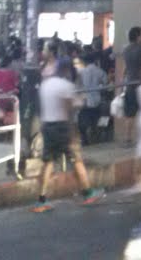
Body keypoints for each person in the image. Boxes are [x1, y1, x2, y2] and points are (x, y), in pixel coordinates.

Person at [32, 58, 103, 212]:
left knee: (48, 163)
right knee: (77, 160)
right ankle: (87, 193)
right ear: (68, 70)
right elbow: (68, 107)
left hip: (48, 126)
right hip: (63, 127)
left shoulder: (45, 84)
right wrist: (79, 103)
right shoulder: (66, 86)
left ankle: (41, 200)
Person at [78, 51, 108, 146]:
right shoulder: (100, 71)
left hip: (85, 100)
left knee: (82, 120)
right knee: (100, 117)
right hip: (97, 100)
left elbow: (78, 86)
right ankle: (98, 135)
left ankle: (84, 139)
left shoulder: (81, 72)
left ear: (85, 62)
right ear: (95, 61)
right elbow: (105, 84)